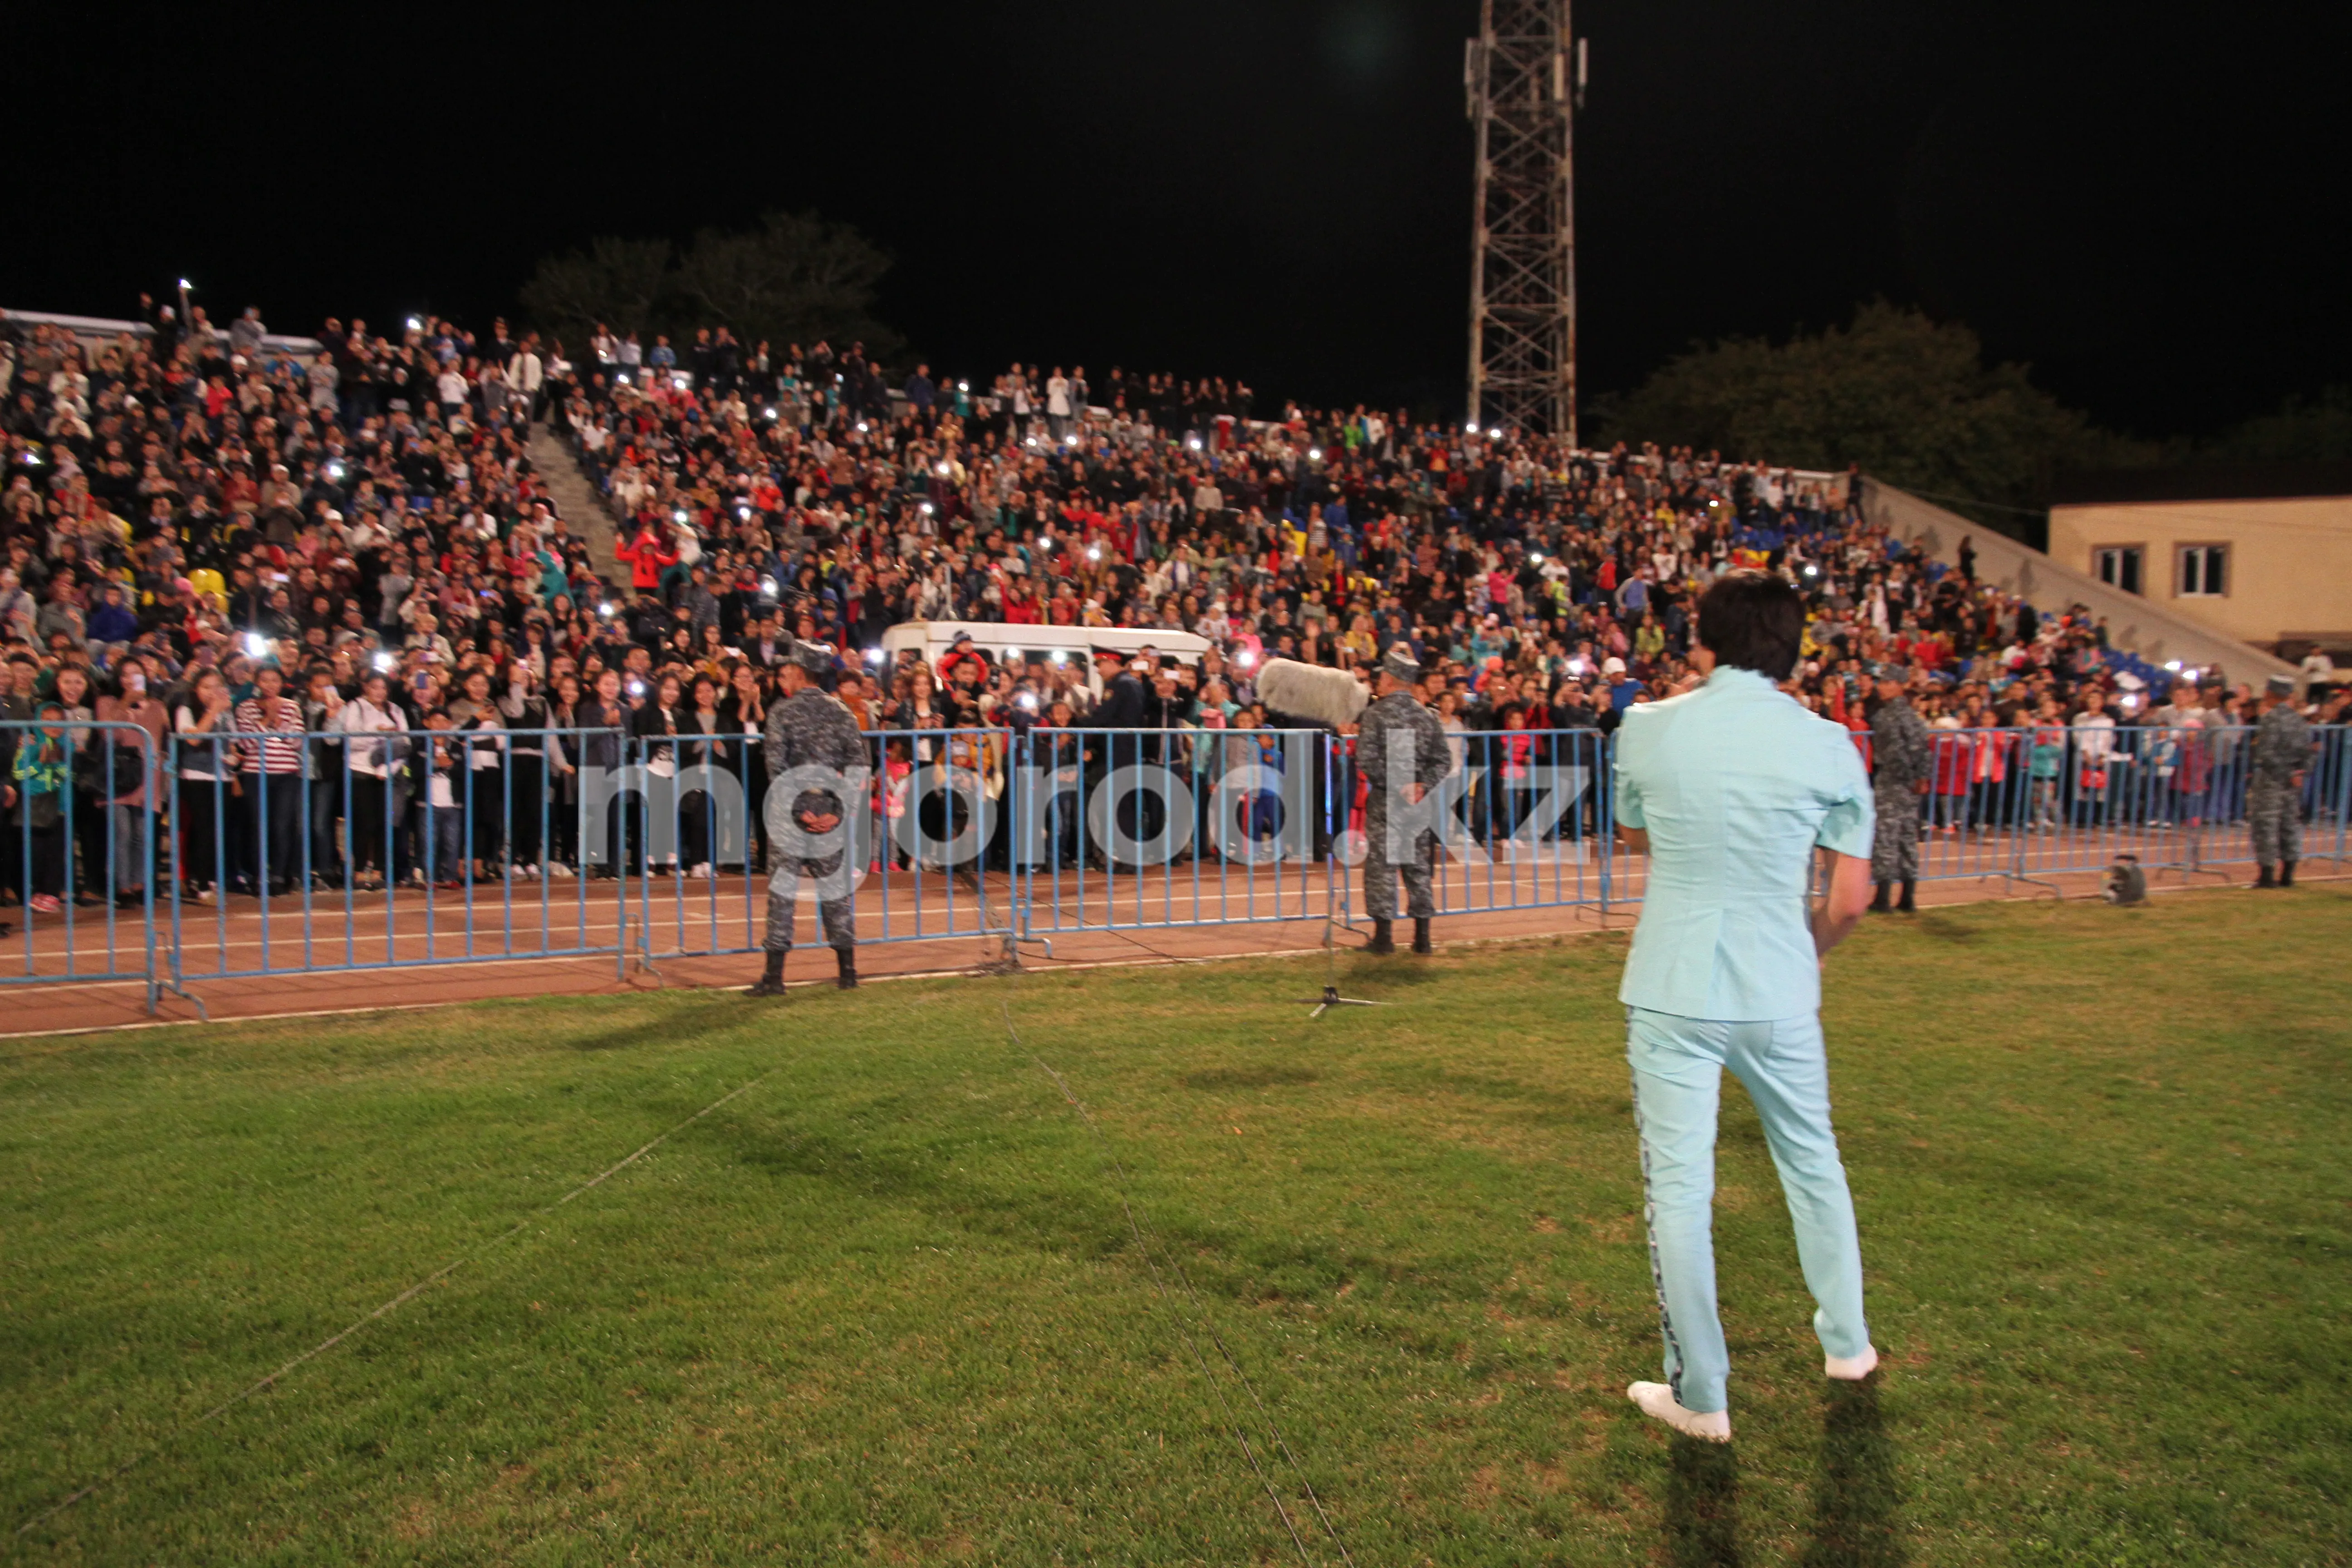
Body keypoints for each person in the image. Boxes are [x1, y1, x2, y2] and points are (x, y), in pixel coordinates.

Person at [1610, 570, 1880, 1444]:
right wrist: (1802, 953)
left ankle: (1702, 1394)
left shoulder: (1647, 727)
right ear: (1791, 647)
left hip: (1672, 983)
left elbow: (1637, 832)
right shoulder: (1829, 744)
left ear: (1703, 642)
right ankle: (1846, 1344)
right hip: (1777, 985)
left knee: (1680, 1190)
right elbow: (1846, 901)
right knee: (1811, 1160)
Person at [749, 641, 868, 996]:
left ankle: (775, 977)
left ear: (799, 673)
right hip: (830, 815)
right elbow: (859, 763)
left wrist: (801, 811)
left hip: (791, 816)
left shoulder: (783, 712)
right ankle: (847, 972)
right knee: (835, 893)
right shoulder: (843, 712)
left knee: (783, 895)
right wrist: (837, 811)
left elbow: (777, 767)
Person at [1354, 643, 1453, 954]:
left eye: (1382, 678)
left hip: (1387, 802)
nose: (1378, 683)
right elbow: (1443, 760)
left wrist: (1397, 784)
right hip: (1418, 805)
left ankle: (1384, 938)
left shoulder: (1376, 714)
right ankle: (1422, 938)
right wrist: (1421, 785)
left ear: (1390, 681)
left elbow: (1367, 760)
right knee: (1418, 868)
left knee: (1382, 868)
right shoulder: (1428, 717)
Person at [1865, 671, 1932, 912]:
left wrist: (1908, 777)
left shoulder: (1886, 717)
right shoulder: (1912, 716)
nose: (1881, 687)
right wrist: (1921, 777)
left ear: (1900, 686)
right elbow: (1924, 750)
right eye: (1881, 682)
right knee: (1906, 837)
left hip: (1893, 782)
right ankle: (1907, 896)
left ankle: (1883, 898)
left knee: (1886, 837)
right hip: (1909, 784)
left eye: (1887, 683)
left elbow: (1895, 754)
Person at [2249, 673, 2313, 887]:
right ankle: (2288, 875)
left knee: (2266, 825)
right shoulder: (2299, 720)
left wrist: (2286, 773)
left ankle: (2267, 875)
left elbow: (2266, 754)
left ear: (2269, 693)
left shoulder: (2271, 719)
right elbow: (2309, 753)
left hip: (2271, 780)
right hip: (2292, 782)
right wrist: (2298, 774)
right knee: (2289, 825)